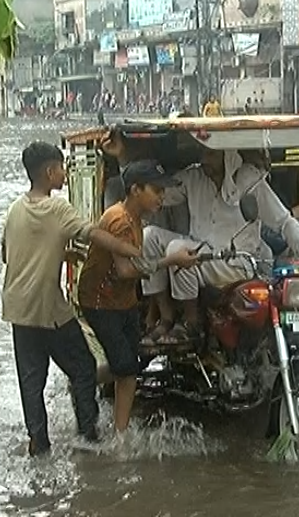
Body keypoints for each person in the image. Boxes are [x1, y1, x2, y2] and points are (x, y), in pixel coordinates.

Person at [102, 133, 299, 344]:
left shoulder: (249, 181)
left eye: (210, 154)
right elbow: (152, 194)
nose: (204, 160)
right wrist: (123, 161)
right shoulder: (194, 177)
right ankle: (167, 316)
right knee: (151, 236)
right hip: (203, 256)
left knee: (176, 249)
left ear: (226, 155)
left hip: (238, 263)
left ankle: (191, 322)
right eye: (203, 153)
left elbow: (283, 221)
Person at [2, 141, 143, 456]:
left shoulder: (14, 209)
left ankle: (39, 443)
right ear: (50, 172)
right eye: (62, 168)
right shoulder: (57, 209)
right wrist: (129, 250)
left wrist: (60, 252)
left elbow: (7, 254)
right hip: (48, 308)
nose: (65, 174)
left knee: (31, 380)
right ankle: (88, 436)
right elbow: (94, 233)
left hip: (17, 308)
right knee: (83, 366)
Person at [78, 160, 199, 433]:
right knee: (128, 370)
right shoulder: (120, 220)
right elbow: (124, 271)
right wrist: (170, 261)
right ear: (135, 190)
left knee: (135, 360)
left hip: (123, 301)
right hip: (101, 302)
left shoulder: (135, 218)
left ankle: (85, 380)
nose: (162, 197)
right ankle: (120, 439)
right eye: (156, 191)